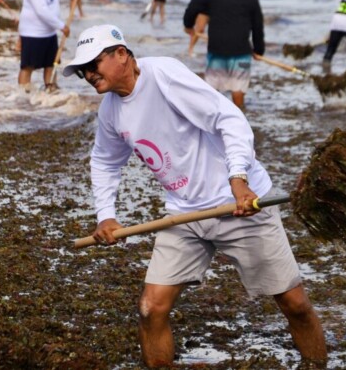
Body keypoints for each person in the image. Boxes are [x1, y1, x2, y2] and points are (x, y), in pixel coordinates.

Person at [62, 24, 328, 369]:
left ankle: (318, 363)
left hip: (239, 205)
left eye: (93, 64)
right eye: (82, 70)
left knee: (294, 304)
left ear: (122, 55)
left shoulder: (164, 76)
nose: (87, 74)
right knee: (150, 308)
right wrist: (105, 216)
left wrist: (238, 179)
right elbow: (104, 161)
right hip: (184, 216)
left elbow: (228, 118)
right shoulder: (110, 110)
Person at [182, 0, 264, 111]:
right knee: (238, 87)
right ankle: (239, 119)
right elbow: (257, 26)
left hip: (217, 49)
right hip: (241, 52)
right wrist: (259, 50)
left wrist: (188, 25)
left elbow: (193, 7)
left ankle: (213, 122)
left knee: (213, 90)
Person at [18, 0, 80, 92]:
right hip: (32, 33)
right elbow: (42, 11)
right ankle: (22, 95)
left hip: (49, 33)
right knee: (28, 66)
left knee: (51, 64)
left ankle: (51, 89)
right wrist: (61, 26)